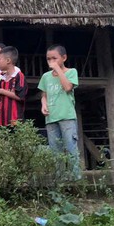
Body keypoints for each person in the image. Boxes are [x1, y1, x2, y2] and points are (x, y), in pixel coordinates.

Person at [38, 44, 80, 179]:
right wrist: (43, 104)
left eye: (54, 58)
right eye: (48, 59)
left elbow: (68, 87)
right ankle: (60, 178)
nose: (51, 61)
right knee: (55, 150)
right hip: (51, 117)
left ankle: (75, 178)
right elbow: (44, 94)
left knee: (71, 147)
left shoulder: (71, 71)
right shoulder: (45, 76)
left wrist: (57, 69)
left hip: (67, 116)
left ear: (64, 58)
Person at [0, 46, 27, 128]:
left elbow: (20, 96)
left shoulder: (19, 76)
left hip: (15, 120)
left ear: (8, 60)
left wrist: (2, 91)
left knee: (15, 139)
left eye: (0, 59)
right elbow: (0, 97)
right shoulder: (2, 78)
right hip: (2, 120)